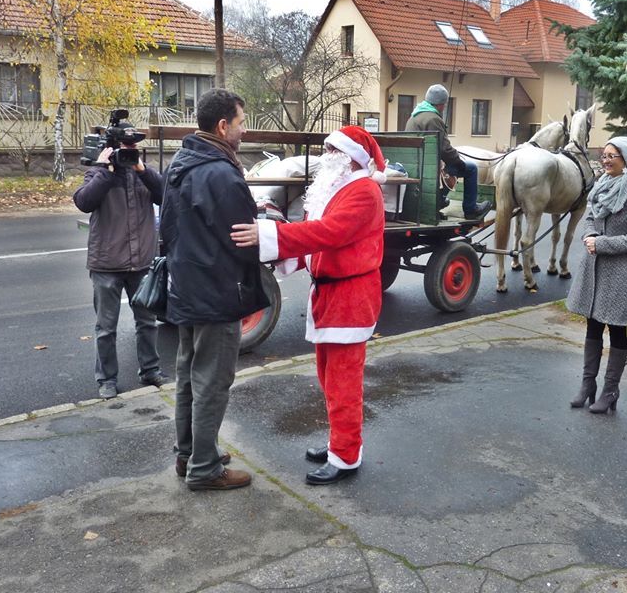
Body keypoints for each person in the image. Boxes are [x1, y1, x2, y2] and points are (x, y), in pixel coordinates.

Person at [231, 125, 386, 486]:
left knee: (344, 382)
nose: (327, 157)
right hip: (332, 296)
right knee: (329, 377)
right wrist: (286, 253)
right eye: (327, 149)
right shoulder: (341, 189)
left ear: (351, 159)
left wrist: (270, 236)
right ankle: (339, 442)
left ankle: (346, 455)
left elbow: (329, 233)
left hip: (350, 299)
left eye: (334, 151)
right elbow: (321, 238)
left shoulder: (363, 192)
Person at [160, 89, 269, 491]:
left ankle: (189, 453)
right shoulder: (222, 173)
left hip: (186, 287)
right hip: (217, 291)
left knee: (190, 375)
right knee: (212, 381)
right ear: (223, 126)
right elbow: (243, 238)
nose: (244, 130)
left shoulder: (181, 163)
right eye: (241, 122)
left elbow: (168, 228)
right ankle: (204, 468)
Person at [73, 116, 169, 400]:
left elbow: (166, 195)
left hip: (141, 263)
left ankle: (150, 370)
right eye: (124, 146)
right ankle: (107, 379)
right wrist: (104, 170)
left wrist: (142, 170)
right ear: (113, 147)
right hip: (107, 264)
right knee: (106, 328)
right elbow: (83, 202)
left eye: (133, 146)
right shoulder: (98, 173)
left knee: (147, 323)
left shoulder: (143, 172)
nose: (129, 150)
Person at [566, 136, 627, 414]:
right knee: (592, 326)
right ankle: (587, 385)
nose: (605, 160)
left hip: (619, 273)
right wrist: (590, 235)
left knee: (616, 329)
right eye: (603, 155)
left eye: (611, 156)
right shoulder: (601, 186)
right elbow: (591, 218)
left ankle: (610, 391)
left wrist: (602, 244)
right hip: (594, 268)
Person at [404, 84, 492, 220]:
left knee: (453, 167)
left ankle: (439, 201)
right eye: (444, 104)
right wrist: (459, 162)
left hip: (417, 164)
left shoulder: (414, 116)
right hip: (429, 168)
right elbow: (444, 150)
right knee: (471, 168)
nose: (444, 107)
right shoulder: (433, 119)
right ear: (440, 104)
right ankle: (470, 209)